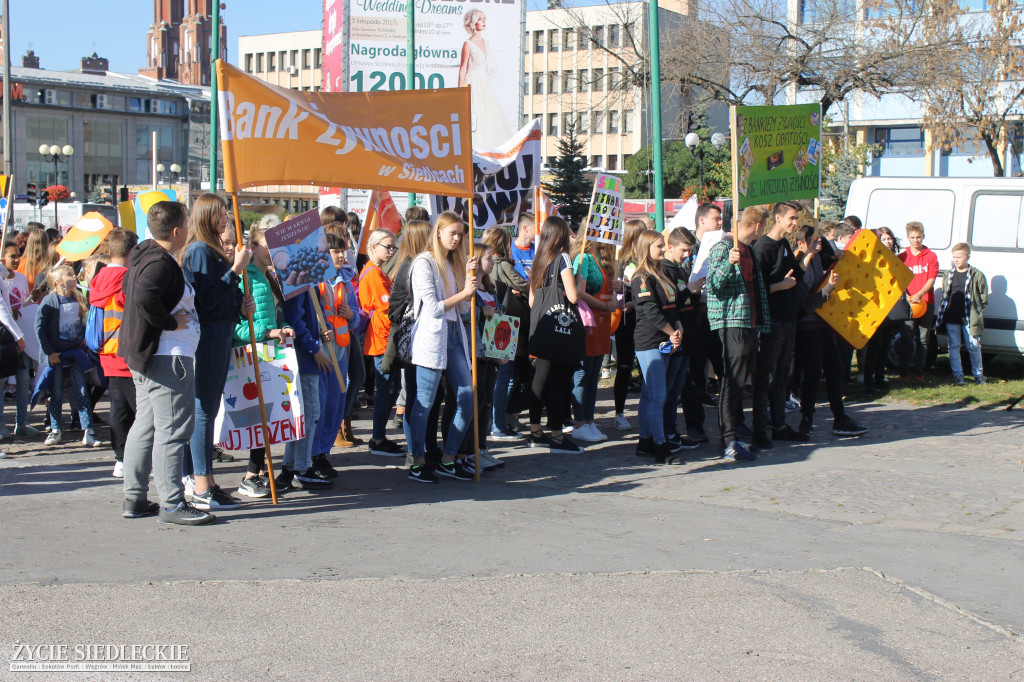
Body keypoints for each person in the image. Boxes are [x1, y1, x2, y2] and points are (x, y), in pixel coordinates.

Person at [119, 201, 213, 525]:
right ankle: (172, 503)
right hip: (167, 358)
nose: (189, 230)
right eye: (186, 225)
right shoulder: (159, 261)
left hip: (151, 356)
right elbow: (145, 296)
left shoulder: (145, 256)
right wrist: (170, 323)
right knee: (173, 430)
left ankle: (134, 497)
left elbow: (133, 292)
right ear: (176, 231)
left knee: (146, 425)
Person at [181, 193, 253, 511]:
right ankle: (200, 481)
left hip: (222, 331)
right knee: (203, 409)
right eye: (221, 214)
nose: (226, 219)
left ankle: (207, 480)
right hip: (207, 335)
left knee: (208, 408)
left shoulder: (211, 251)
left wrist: (239, 303)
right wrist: (235, 271)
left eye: (226, 213)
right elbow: (204, 299)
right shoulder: (198, 251)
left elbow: (221, 295)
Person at [407, 212, 478, 482]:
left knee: (466, 397)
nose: (457, 238)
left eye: (460, 234)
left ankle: (448, 458)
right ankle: (417, 462)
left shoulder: (453, 262)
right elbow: (433, 308)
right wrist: (464, 292)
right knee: (424, 403)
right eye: (453, 233)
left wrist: (469, 280)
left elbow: (460, 307)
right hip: (431, 337)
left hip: (453, 334)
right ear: (439, 232)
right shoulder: (424, 263)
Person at [232, 226, 296, 499]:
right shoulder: (244, 276)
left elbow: (274, 314)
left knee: (267, 418)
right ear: (253, 247)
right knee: (256, 418)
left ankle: (255, 473)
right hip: (251, 355)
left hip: (270, 352)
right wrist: (267, 332)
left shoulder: (270, 276)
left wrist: (283, 326)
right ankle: (250, 475)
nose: (273, 251)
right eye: (267, 246)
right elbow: (238, 327)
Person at [706, 206, 771, 462]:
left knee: (740, 383)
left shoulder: (750, 250)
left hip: (749, 321)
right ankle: (728, 440)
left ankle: (735, 436)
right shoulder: (723, 248)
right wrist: (728, 264)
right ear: (758, 226)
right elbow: (712, 285)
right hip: (730, 321)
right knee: (730, 383)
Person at [793, 224, 869, 438]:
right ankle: (806, 420)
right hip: (807, 326)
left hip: (825, 324)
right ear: (801, 243)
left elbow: (837, 255)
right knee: (812, 374)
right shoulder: (799, 265)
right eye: (813, 241)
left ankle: (840, 418)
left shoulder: (818, 257)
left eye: (820, 240)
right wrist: (827, 290)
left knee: (834, 370)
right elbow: (804, 305)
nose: (819, 243)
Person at [751, 201, 805, 449]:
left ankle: (779, 424)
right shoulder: (763, 247)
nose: (795, 223)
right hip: (771, 320)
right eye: (791, 218)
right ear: (778, 218)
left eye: (796, 219)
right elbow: (757, 287)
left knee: (783, 374)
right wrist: (780, 287)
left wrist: (808, 252)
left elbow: (795, 273)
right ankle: (760, 429)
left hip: (788, 318)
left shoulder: (784, 244)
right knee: (765, 376)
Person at [528, 216, 583, 453]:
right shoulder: (563, 258)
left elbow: (532, 300)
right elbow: (572, 296)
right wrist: (579, 281)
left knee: (539, 380)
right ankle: (558, 435)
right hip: (560, 330)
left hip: (541, 327)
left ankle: (534, 431)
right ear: (560, 235)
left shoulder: (539, 259)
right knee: (559, 382)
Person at [276, 268, 334, 491]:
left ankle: (291, 467)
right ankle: (301, 468)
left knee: (305, 415)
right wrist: (313, 349)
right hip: (304, 358)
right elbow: (296, 321)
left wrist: (325, 329)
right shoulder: (296, 282)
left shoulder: (307, 282)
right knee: (309, 413)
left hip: (308, 354)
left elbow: (316, 316)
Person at [631, 230, 684, 463]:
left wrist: (678, 329)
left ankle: (645, 442)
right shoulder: (641, 277)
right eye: (659, 246)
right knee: (657, 396)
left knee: (649, 394)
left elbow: (674, 306)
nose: (663, 250)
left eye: (663, 246)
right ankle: (660, 446)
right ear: (646, 248)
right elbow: (651, 311)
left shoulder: (661, 273)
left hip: (663, 341)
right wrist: (673, 333)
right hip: (649, 342)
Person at [89, 228, 139, 477]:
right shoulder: (127, 279)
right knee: (140, 410)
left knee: (118, 408)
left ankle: (120, 458)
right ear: (131, 251)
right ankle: (136, 458)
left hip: (105, 352)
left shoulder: (98, 279)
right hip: (126, 351)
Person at [35, 264, 102, 448]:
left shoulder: (78, 298)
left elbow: (85, 321)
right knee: (56, 392)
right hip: (57, 354)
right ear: (58, 282)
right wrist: (49, 353)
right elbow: (39, 328)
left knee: (81, 391)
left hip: (76, 354)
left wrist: (84, 340)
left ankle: (88, 430)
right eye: (69, 274)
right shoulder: (49, 302)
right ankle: (55, 429)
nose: (74, 276)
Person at [311, 231, 358, 477]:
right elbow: (307, 316)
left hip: (340, 351)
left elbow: (357, 318)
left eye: (343, 251)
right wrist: (320, 334)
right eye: (335, 251)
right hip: (320, 353)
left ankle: (323, 452)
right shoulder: (313, 283)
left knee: (335, 404)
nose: (341, 255)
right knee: (319, 404)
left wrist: (352, 316)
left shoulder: (346, 281)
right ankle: (313, 454)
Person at [683, 202, 726, 443]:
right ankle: (695, 428)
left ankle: (729, 424)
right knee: (695, 376)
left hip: (715, 315)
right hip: (694, 319)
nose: (720, 223)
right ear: (702, 220)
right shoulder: (690, 247)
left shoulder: (721, 244)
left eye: (720, 219)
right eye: (715, 219)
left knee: (723, 370)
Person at [359, 228, 404, 456]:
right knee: (386, 388)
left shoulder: (377, 271)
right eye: (388, 246)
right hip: (381, 339)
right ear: (374, 246)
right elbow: (387, 307)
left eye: (393, 247)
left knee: (390, 388)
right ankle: (377, 438)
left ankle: (379, 437)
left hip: (383, 338)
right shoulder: (374, 273)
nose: (391, 251)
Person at [483, 226, 530, 441]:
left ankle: (495, 423)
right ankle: (498, 425)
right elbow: (523, 284)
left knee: (497, 377)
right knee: (504, 376)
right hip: (502, 324)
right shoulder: (501, 265)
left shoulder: (485, 263)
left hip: (491, 322)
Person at [569, 237, 616, 443]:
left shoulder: (602, 257)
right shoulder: (583, 258)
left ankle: (588, 420)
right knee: (582, 375)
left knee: (593, 376)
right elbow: (578, 292)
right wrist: (604, 306)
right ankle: (579, 422)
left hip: (602, 323)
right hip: (589, 322)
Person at [660, 227, 702, 450]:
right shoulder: (664, 270)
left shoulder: (680, 269)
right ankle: (665, 432)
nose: (687, 255)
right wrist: (689, 291)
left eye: (689, 251)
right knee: (667, 390)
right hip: (673, 337)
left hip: (687, 336)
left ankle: (672, 430)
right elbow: (669, 304)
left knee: (677, 389)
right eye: (683, 250)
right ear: (670, 247)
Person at [457, 8, 512, 149]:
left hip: (484, 82)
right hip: (472, 81)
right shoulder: (467, 44)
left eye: (484, 18)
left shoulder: (486, 42)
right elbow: (463, 68)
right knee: (475, 114)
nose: (483, 21)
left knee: (487, 116)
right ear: (472, 22)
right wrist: (459, 92)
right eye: (480, 19)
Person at [936, 243, 988, 386]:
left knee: (974, 345)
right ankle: (958, 375)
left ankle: (978, 375)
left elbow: (983, 297)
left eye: (959, 257)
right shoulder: (949, 274)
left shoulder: (976, 274)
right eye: (954, 257)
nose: (956, 260)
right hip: (952, 316)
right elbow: (945, 295)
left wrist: (977, 309)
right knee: (953, 346)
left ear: (967, 257)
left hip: (969, 316)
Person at [612, 219, 646, 431]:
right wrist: (620, 290)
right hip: (626, 319)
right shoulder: (621, 261)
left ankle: (648, 410)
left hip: (645, 318)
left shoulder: (647, 259)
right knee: (624, 366)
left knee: (646, 365)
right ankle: (619, 412)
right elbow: (616, 290)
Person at [0, 242, 36, 436]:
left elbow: (21, 305)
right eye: (12, 256)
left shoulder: (21, 278)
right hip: (6, 338)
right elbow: (4, 309)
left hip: (23, 337)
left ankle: (21, 422)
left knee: (23, 381)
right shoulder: (0, 279)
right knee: (3, 383)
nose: (16, 259)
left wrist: (33, 298)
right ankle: (1, 425)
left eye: (18, 255)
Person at [861, 226, 901, 396]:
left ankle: (880, 378)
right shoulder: (873, 259)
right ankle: (868, 382)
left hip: (890, 309)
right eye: (884, 239)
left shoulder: (895, 259)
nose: (888, 242)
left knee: (884, 346)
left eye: (889, 238)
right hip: (876, 308)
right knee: (874, 347)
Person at [897, 221, 938, 380]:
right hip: (908, 304)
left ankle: (919, 369)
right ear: (908, 238)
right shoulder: (902, 257)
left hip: (926, 301)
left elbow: (931, 278)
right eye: (913, 237)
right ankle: (905, 369)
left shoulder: (931, 256)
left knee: (923, 338)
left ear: (923, 236)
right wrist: (905, 295)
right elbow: (898, 280)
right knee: (906, 337)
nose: (916, 240)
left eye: (919, 237)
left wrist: (920, 293)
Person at [510, 212, 536, 281]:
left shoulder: (538, 249)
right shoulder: (508, 249)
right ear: (525, 228)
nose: (539, 231)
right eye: (536, 227)